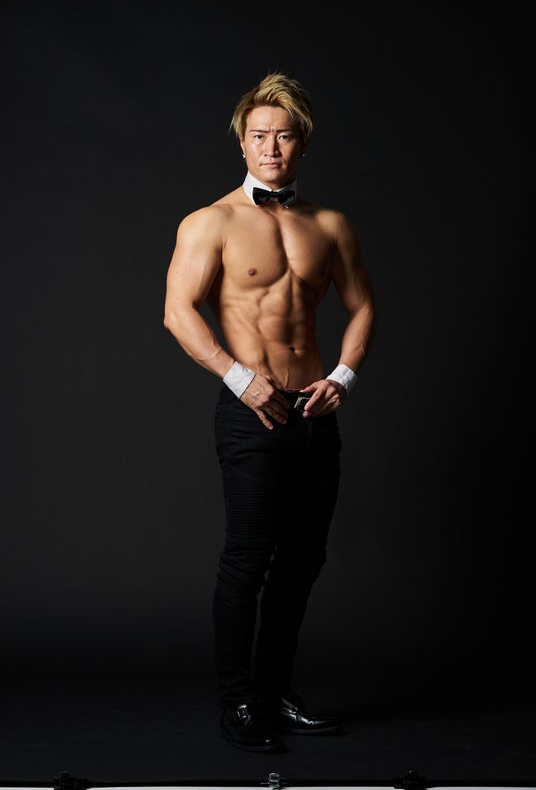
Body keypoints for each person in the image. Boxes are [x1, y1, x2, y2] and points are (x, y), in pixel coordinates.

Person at [163, 72, 375, 753]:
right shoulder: (211, 222)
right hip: (251, 414)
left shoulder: (330, 225)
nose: (271, 148)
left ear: (303, 143)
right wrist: (237, 378)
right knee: (248, 559)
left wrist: (343, 375)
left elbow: (362, 306)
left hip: (315, 410)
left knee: (303, 559)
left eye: (284, 136)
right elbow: (177, 313)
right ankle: (238, 703)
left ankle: (275, 692)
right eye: (259, 136)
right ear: (241, 142)